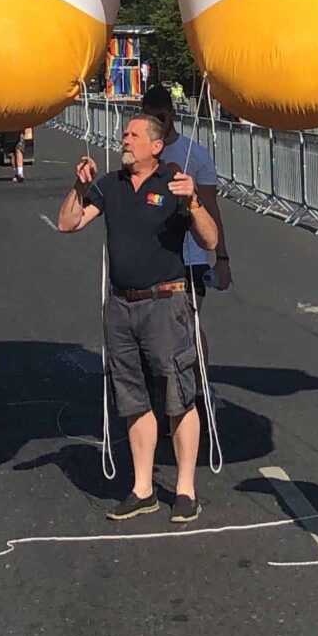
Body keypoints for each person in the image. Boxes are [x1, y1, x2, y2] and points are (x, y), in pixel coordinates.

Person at [57, 109, 219, 526]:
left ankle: (185, 490)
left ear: (155, 145)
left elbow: (210, 238)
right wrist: (80, 186)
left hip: (166, 303)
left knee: (177, 394)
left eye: (132, 135)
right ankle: (142, 488)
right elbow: (68, 224)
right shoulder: (109, 186)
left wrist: (194, 202)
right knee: (131, 397)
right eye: (124, 135)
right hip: (121, 305)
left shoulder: (175, 184)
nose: (124, 141)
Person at [140, 82, 231, 306]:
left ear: (171, 113)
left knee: (189, 325)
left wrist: (222, 258)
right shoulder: (140, 156)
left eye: (160, 118)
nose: (157, 125)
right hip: (153, 255)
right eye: (150, 120)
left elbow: (211, 207)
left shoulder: (196, 154)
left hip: (192, 256)